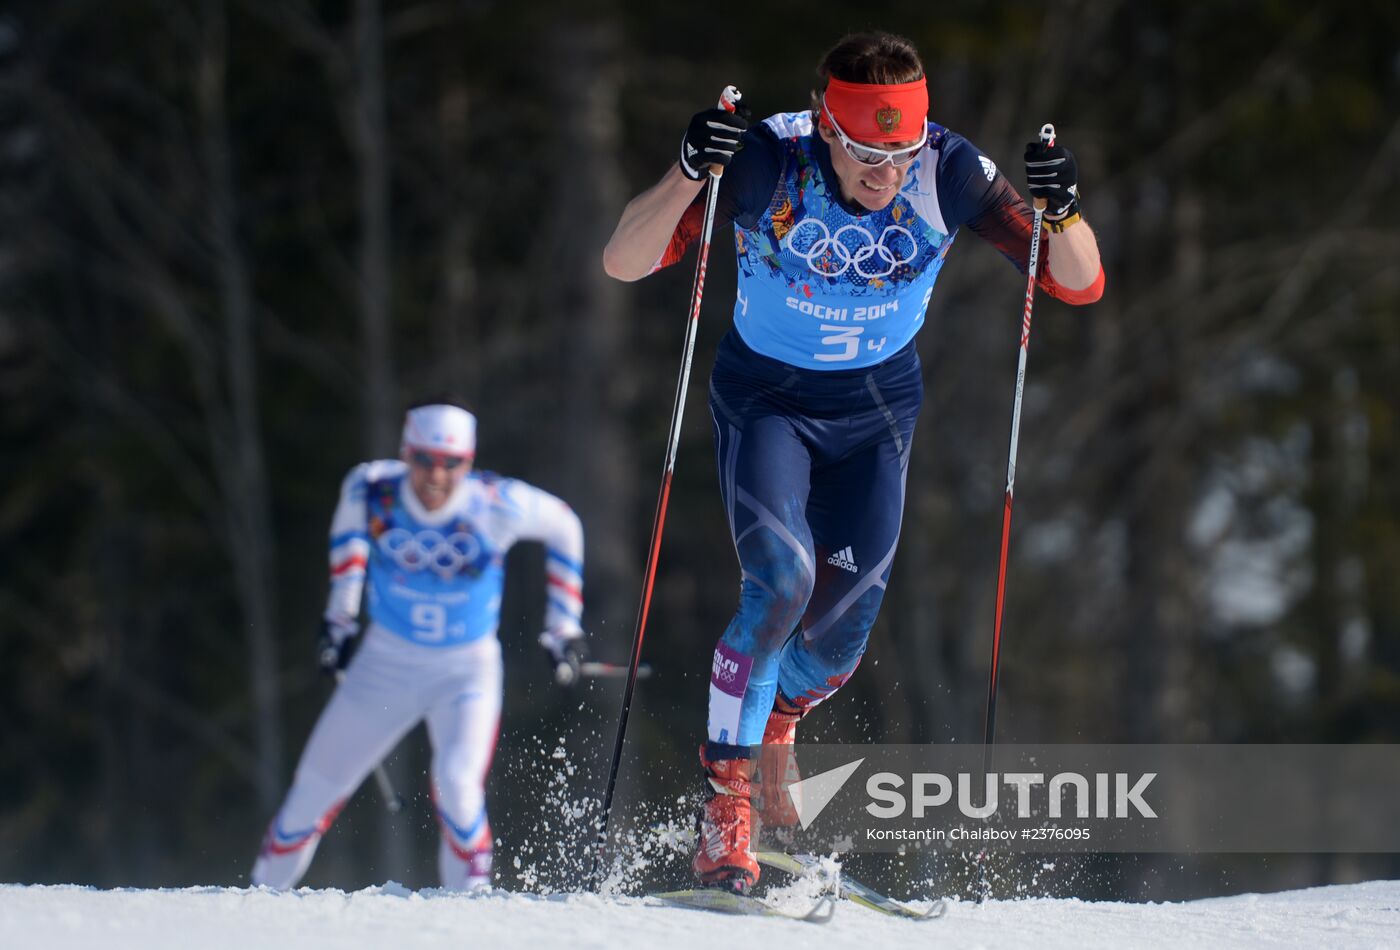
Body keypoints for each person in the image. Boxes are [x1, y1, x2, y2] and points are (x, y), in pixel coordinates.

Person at [602, 31, 1104, 893]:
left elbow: (1077, 283)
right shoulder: (770, 160)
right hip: (768, 402)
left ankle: (778, 716)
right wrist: (687, 170)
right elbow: (623, 262)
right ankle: (726, 814)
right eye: (868, 153)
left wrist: (1062, 211)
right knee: (781, 584)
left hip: (875, 415)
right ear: (825, 125)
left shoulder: (949, 169)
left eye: (900, 152)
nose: (886, 174)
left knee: (837, 645)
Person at [251, 398, 587, 891]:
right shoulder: (372, 489)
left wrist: (563, 626)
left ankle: (471, 910)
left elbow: (564, 525)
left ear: (469, 462)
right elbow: (348, 545)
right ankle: (254, 904)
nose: (436, 476)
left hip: (465, 670)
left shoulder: (495, 503)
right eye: (424, 459)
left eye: (452, 463)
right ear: (406, 453)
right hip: (384, 664)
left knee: (457, 786)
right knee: (310, 795)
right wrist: (339, 621)